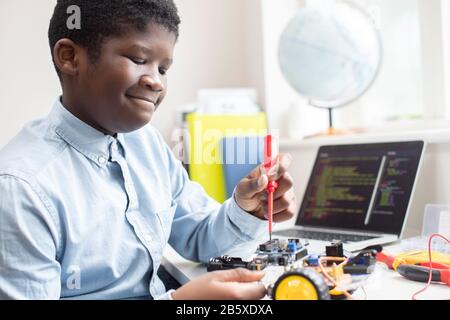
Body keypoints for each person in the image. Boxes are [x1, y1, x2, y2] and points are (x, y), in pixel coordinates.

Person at [0, 0, 296, 300]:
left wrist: (248, 210)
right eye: (138, 59)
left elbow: (200, 235)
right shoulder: (20, 188)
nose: (155, 82)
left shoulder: (147, 144)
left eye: (163, 68)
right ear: (70, 57)